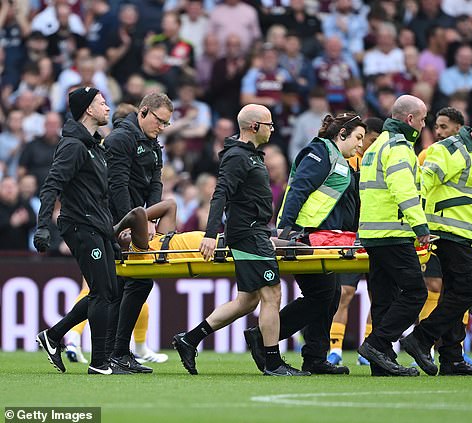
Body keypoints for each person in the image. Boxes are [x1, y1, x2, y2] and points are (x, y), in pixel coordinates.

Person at [172, 104, 309, 376]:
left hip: (253, 231)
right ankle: (273, 362)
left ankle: (189, 339)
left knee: (247, 300)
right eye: (269, 124)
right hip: (248, 233)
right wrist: (211, 234)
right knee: (272, 293)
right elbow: (219, 194)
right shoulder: (237, 156)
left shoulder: (250, 155)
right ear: (254, 126)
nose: (273, 129)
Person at [243, 112, 367, 375]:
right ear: (341, 134)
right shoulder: (320, 152)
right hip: (305, 236)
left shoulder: (340, 160)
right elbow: (298, 188)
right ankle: (264, 338)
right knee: (322, 295)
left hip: (324, 238)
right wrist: (286, 229)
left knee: (328, 295)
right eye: (358, 137)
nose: (361, 144)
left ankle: (314, 357)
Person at [400, 111, 472, 377]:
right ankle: (421, 339)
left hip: (467, 237)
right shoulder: (449, 149)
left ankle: (451, 358)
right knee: (469, 289)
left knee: (455, 294)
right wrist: (417, 223)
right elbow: (423, 183)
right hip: (446, 232)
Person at [33, 87, 129, 375]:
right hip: (80, 225)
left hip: (96, 226)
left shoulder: (92, 146)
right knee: (102, 291)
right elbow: (52, 185)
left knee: (110, 290)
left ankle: (53, 335)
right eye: (102, 103)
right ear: (88, 109)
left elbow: (98, 195)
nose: (107, 108)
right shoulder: (74, 146)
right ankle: (100, 362)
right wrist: (42, 227)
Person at [356, 95, 430, 377]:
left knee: (384, 299)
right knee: (415, 292)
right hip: (393, 231)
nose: (424, 125)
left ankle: (381, 364)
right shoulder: (399, 147)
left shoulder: (377, 146)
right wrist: (420, 226)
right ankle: (377, 344)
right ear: (410, 119)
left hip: (373, 232)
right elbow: (404, 191)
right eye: (422, 119)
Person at [103, 92, 173, 373]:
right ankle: (115, 352)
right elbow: (116, 186)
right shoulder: (121, 139)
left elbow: (155, 182)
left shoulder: (152, 142)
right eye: (160, 121)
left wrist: (151, 215)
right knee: (127, 285)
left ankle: (116, 352)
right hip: (115, 221)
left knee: (129, 284)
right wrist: (128, 223)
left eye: (166, 124)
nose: (162, 128)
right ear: (143, 112)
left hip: (136, 219)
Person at [416, 107, 472, 367]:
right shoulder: (429, 154)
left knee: (454, 292)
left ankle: (453, 352)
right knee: (438, 288)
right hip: (436, 232)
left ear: (459, 128)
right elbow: (420, 188)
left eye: (444, 127)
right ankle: (426, 344)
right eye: (436, 127)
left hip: (464, 232)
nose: (438, 131)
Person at [327, 116, 383, 366]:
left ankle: (368, 346)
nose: (369, 145)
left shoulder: (382, 162)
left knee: (378, 293)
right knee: (345, 292)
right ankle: (335, 347)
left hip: (378, 232)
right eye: (369, 140)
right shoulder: (347, 160)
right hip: (350, 235)